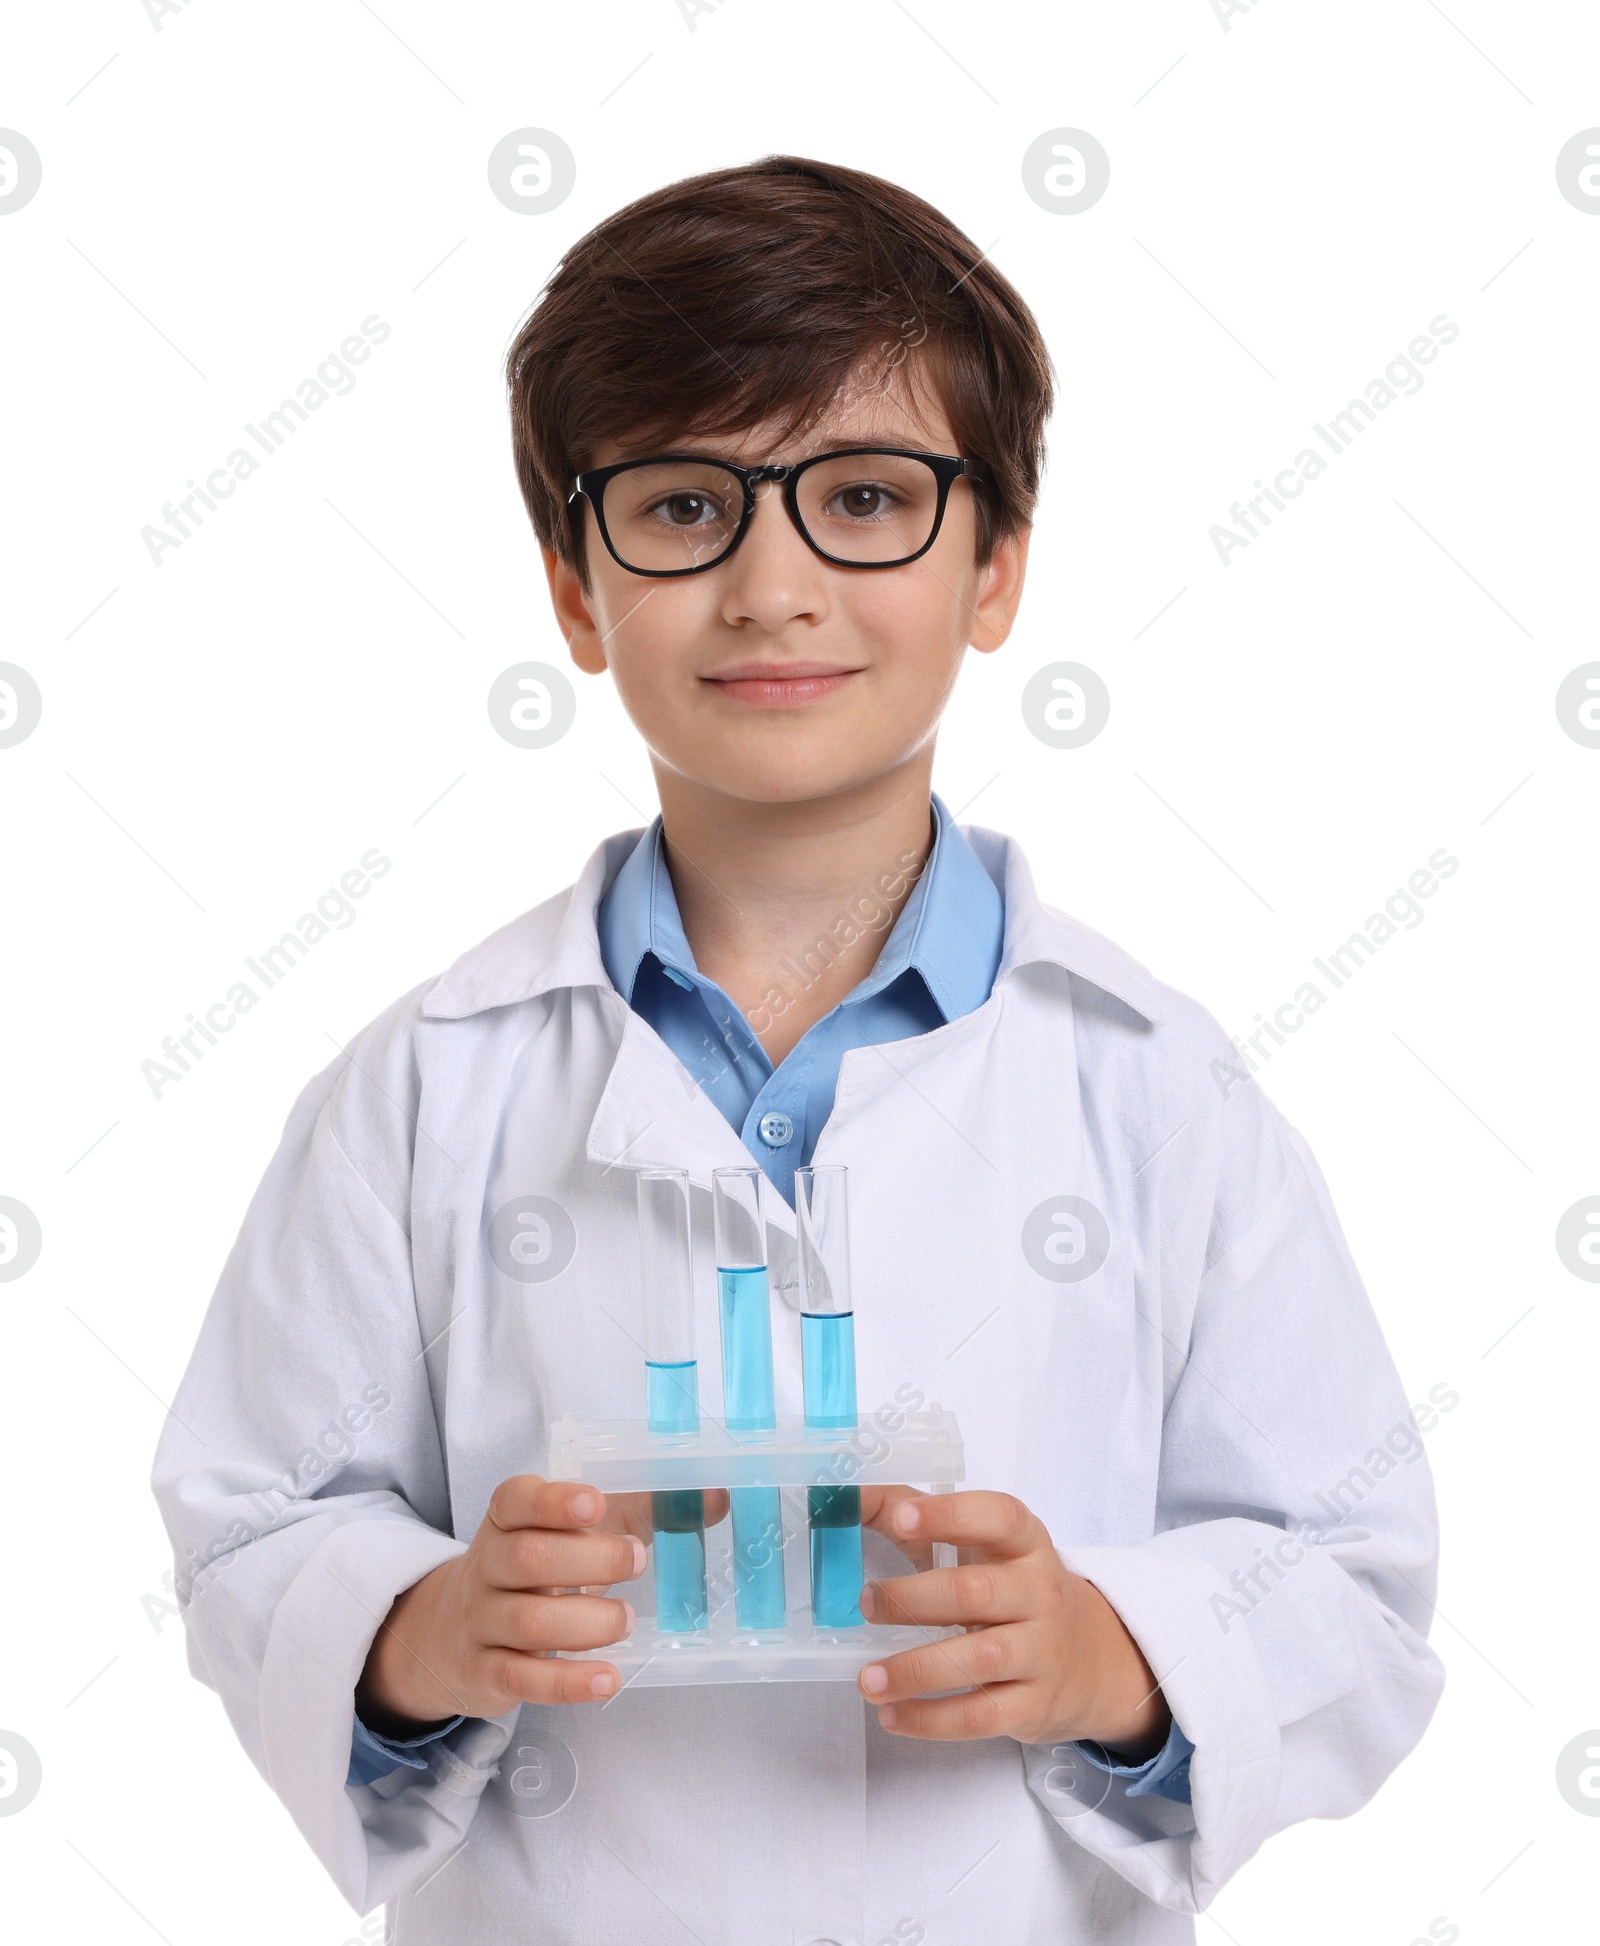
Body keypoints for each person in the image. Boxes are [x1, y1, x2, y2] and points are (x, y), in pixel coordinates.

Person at [152, 156, 1444, 1945]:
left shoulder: (1159, 1088)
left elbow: (1354, 1575)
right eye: (685, 506)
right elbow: (248, 1518)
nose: (773, 584)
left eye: (862, 496)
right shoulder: (424, 1086)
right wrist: (413, 1628)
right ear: (576, 592)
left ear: (994, 568)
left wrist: (1111, 1654)